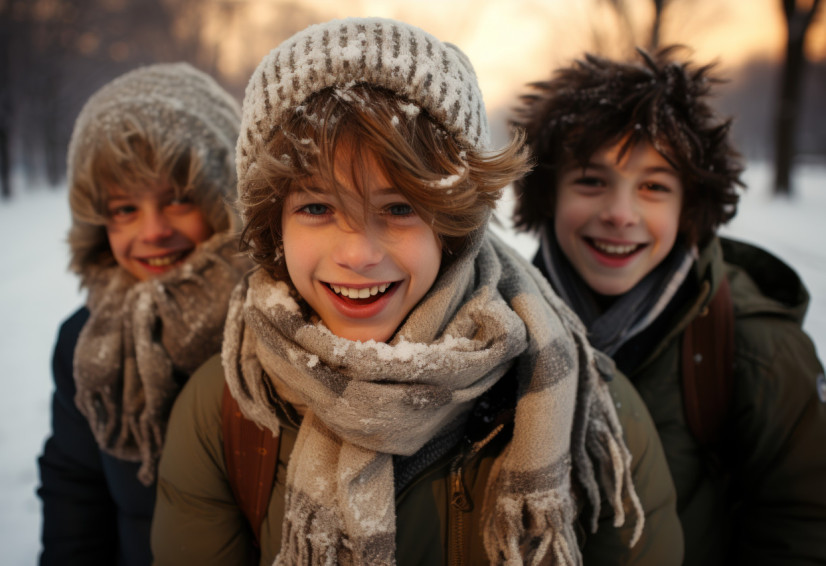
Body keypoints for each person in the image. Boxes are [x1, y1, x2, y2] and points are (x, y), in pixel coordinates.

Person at [151, 18, 683, 565]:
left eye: (399, 208)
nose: (358, 254)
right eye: (317, 208)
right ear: (274, 225)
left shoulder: (581, 401)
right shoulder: (227, 408)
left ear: (454, 225)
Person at [510, 46, 826, 566]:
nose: (619, 213)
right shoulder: (497, 328)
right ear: (548, 195)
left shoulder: (757, 352)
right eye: (591, 180)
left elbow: (802, 530)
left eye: (654, 186)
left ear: (690, 207)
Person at [37, 62, 249, 565]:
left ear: (228, 198)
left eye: (177, 200)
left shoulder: (278, 319)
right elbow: (76, 496)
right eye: (124, 210)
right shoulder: (88, 342)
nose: (152, 231)